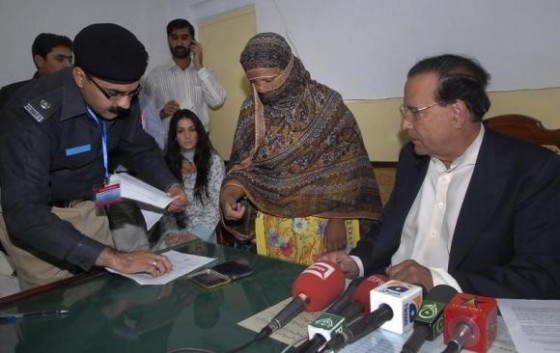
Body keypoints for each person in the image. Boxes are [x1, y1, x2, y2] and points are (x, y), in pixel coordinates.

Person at [321, 54, 560, 299]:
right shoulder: (413, 158)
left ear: (457, 113)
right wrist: (357, 262)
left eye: (416, 112)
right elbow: (389, 228)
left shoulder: (532, 170)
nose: (405, 124)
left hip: (459, 310)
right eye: (405, 112)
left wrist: (437, 281)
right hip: (386, 295)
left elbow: (541, 276)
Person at [0, 23, 188, 290]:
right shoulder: (32, 116)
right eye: (114, 93)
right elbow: (25, 214)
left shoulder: (122, 95)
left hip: (93, 202)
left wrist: (170, 185)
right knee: (57, 307)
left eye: (132, 93)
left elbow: (139, 146)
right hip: (42, 220)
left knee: (100, 293)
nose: (125, 104)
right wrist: (118, 259)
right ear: (79, 77)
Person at [220, 33, 382, 266]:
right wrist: (228, 197)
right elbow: (243, 167)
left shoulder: (326, 104)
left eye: (269, 79)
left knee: (325, 292)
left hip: (325, 226)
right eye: (254, 82)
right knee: (280, 290)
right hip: (273, 228)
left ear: (288, 70)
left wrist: (337, 222)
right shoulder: (252, 111)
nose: (263, 89)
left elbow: (350, 168)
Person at [142, 18, 226, 138]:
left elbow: (217, 101)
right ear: (169, 40)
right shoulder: (154, 77)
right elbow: (145, 118)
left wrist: (199, 66)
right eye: (175, 38)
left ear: (193, 41)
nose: (179, 43)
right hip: (170, 147)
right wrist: (162, 112)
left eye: (184, 37)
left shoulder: (205, 72)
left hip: (201, 143)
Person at [154, 109, 225, 249]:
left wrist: (192, 236)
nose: (187, 136)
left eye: (192, 130)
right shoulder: (166, 164)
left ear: (198, 133)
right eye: (181, 131)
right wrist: (171, 233)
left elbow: (215, 207)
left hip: (204, 232)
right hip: (174, 231)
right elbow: (164, 210)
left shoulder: (213, 161)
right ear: (174, 136)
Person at [0, 32, 73, 109]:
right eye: (60, 59)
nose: (68, 65)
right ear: (40, 61)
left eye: (70, 60)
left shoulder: (78, 92)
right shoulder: (12, 93)